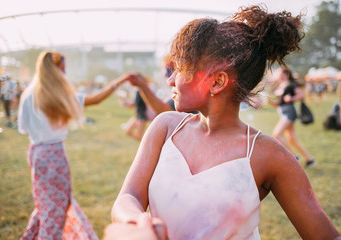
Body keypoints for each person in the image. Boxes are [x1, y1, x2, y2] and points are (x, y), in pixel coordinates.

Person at [110, 6, 340, 240]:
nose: (170, 79)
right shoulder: (165, 127)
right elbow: (129, 197)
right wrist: (139, 222)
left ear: (217, 81)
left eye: (180, 68)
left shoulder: (269, 155)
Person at [18, 50, 134, 240]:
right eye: (62, 69)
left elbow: (23, 129)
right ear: (56, 70)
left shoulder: (28, 95)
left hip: (36, 153)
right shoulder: (58, 95)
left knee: (44, 205)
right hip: (54, 155)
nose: (64, 74)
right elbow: (95, 99)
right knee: (55, 211)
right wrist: (120, 81)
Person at [269, 67, 315, 168]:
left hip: (289, 113)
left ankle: (294, 156)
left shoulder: (291, 84)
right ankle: (310, 159)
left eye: (280, 73)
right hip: (283, 112)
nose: (278, 75)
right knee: (292, 139)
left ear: (285, 74)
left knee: (276, 134)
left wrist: (292, 98)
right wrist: (271, 103)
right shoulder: (281, 85)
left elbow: (301, 95)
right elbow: (280, 103)